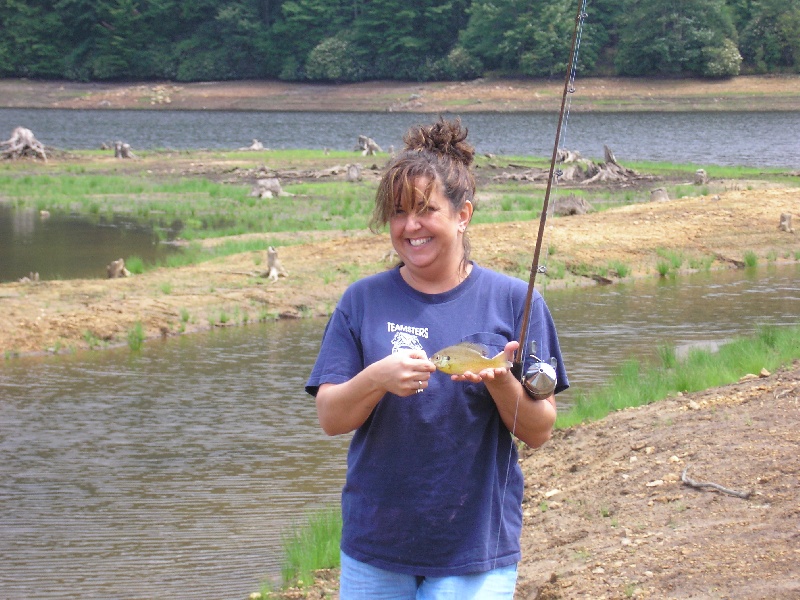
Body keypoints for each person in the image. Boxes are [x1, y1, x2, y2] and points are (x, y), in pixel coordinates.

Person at [305, 117, 568, 599]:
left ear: (463, 214)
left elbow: (539, 431)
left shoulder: (515, 301)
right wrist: (377, 378)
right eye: (398, 212)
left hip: (473, 548)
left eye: (425, 210)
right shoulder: (361, 301)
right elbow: (330, 418)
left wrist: (498, 381)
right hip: (375, 546)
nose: (410, 226)